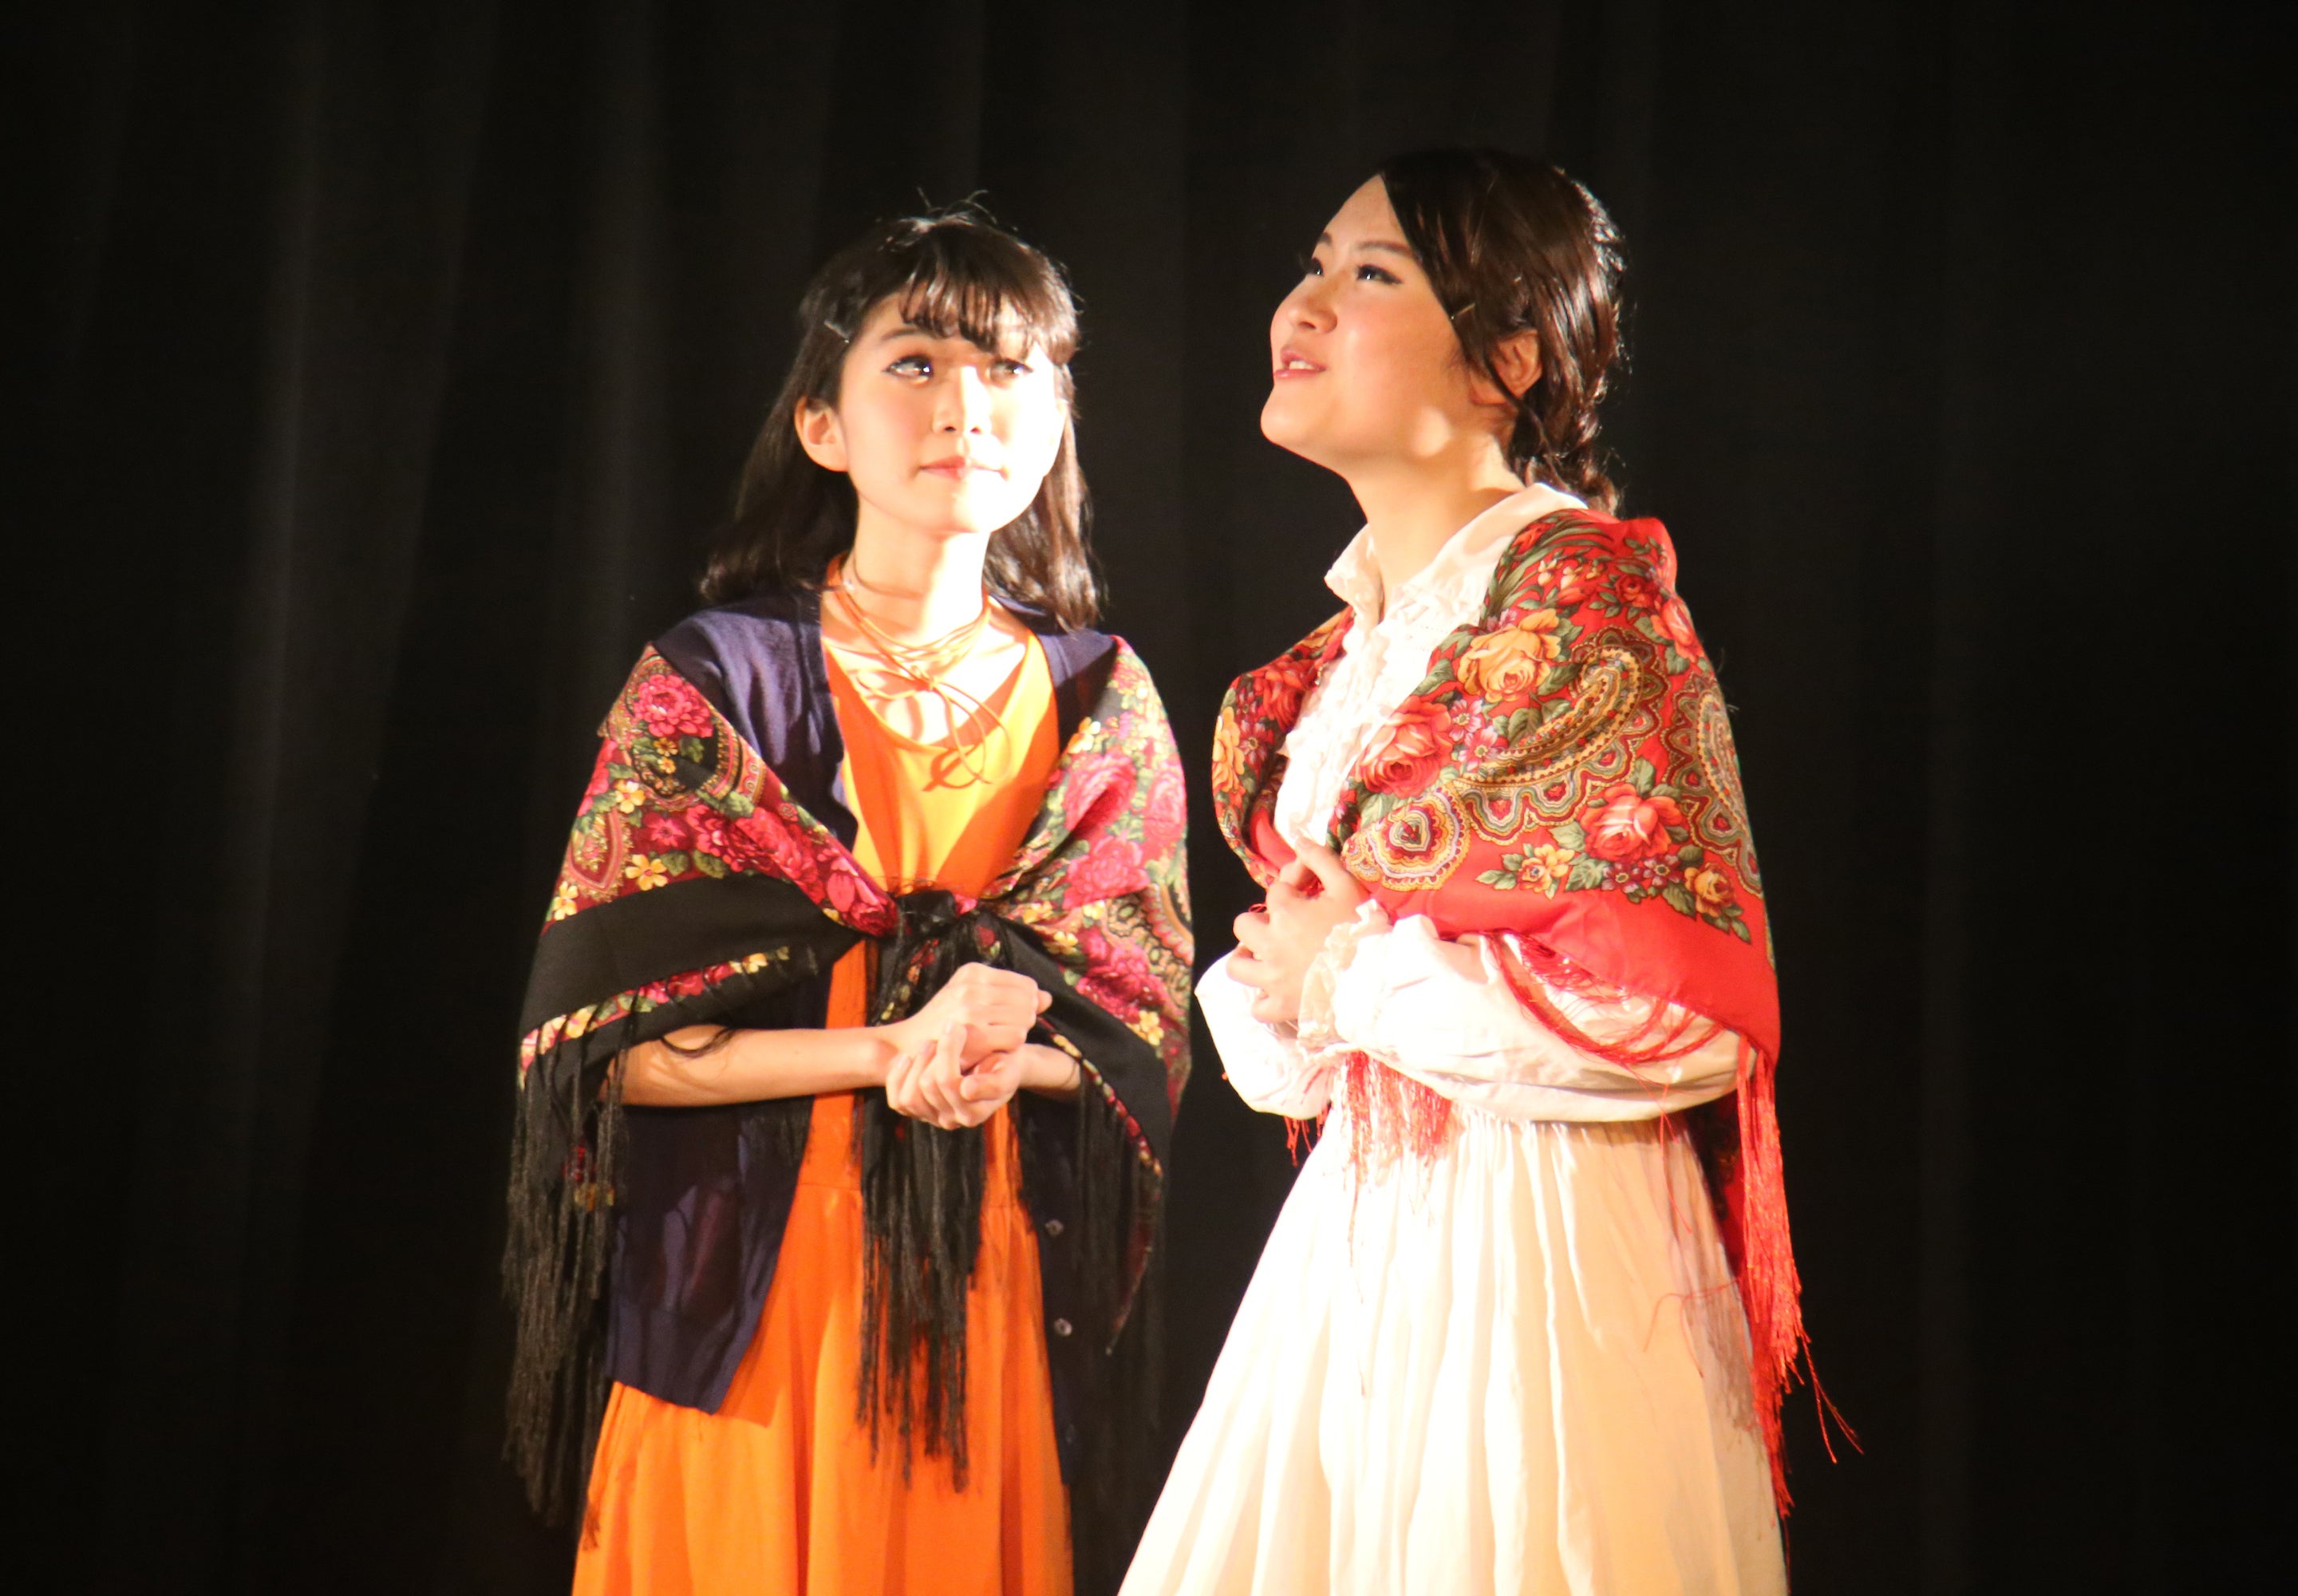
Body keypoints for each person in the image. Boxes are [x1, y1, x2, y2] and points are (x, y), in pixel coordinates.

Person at [1122, 150, 1806, 1594]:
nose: (1304, 304)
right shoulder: (1354, 650)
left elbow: (1676, 1016)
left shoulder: (1585, 613)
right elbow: (1300, 1048)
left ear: (1509, 359)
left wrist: (1348, 975)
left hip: (1544, 1255)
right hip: (1363, 1245)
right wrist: (1299, 987)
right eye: (1313, 264)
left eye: (1372, 273)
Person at [505, 210, 1191, 1596]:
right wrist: (889, 1051)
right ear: (822, 424)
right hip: (748, 1296)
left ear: (1057, 422)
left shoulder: (1101, 698)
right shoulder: (715, 685)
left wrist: (1001, 1061)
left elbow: (1143, 1043)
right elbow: (601, 1049)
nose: (967, 406)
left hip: (986, 1288)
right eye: (917, 363)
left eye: (1010, 370)